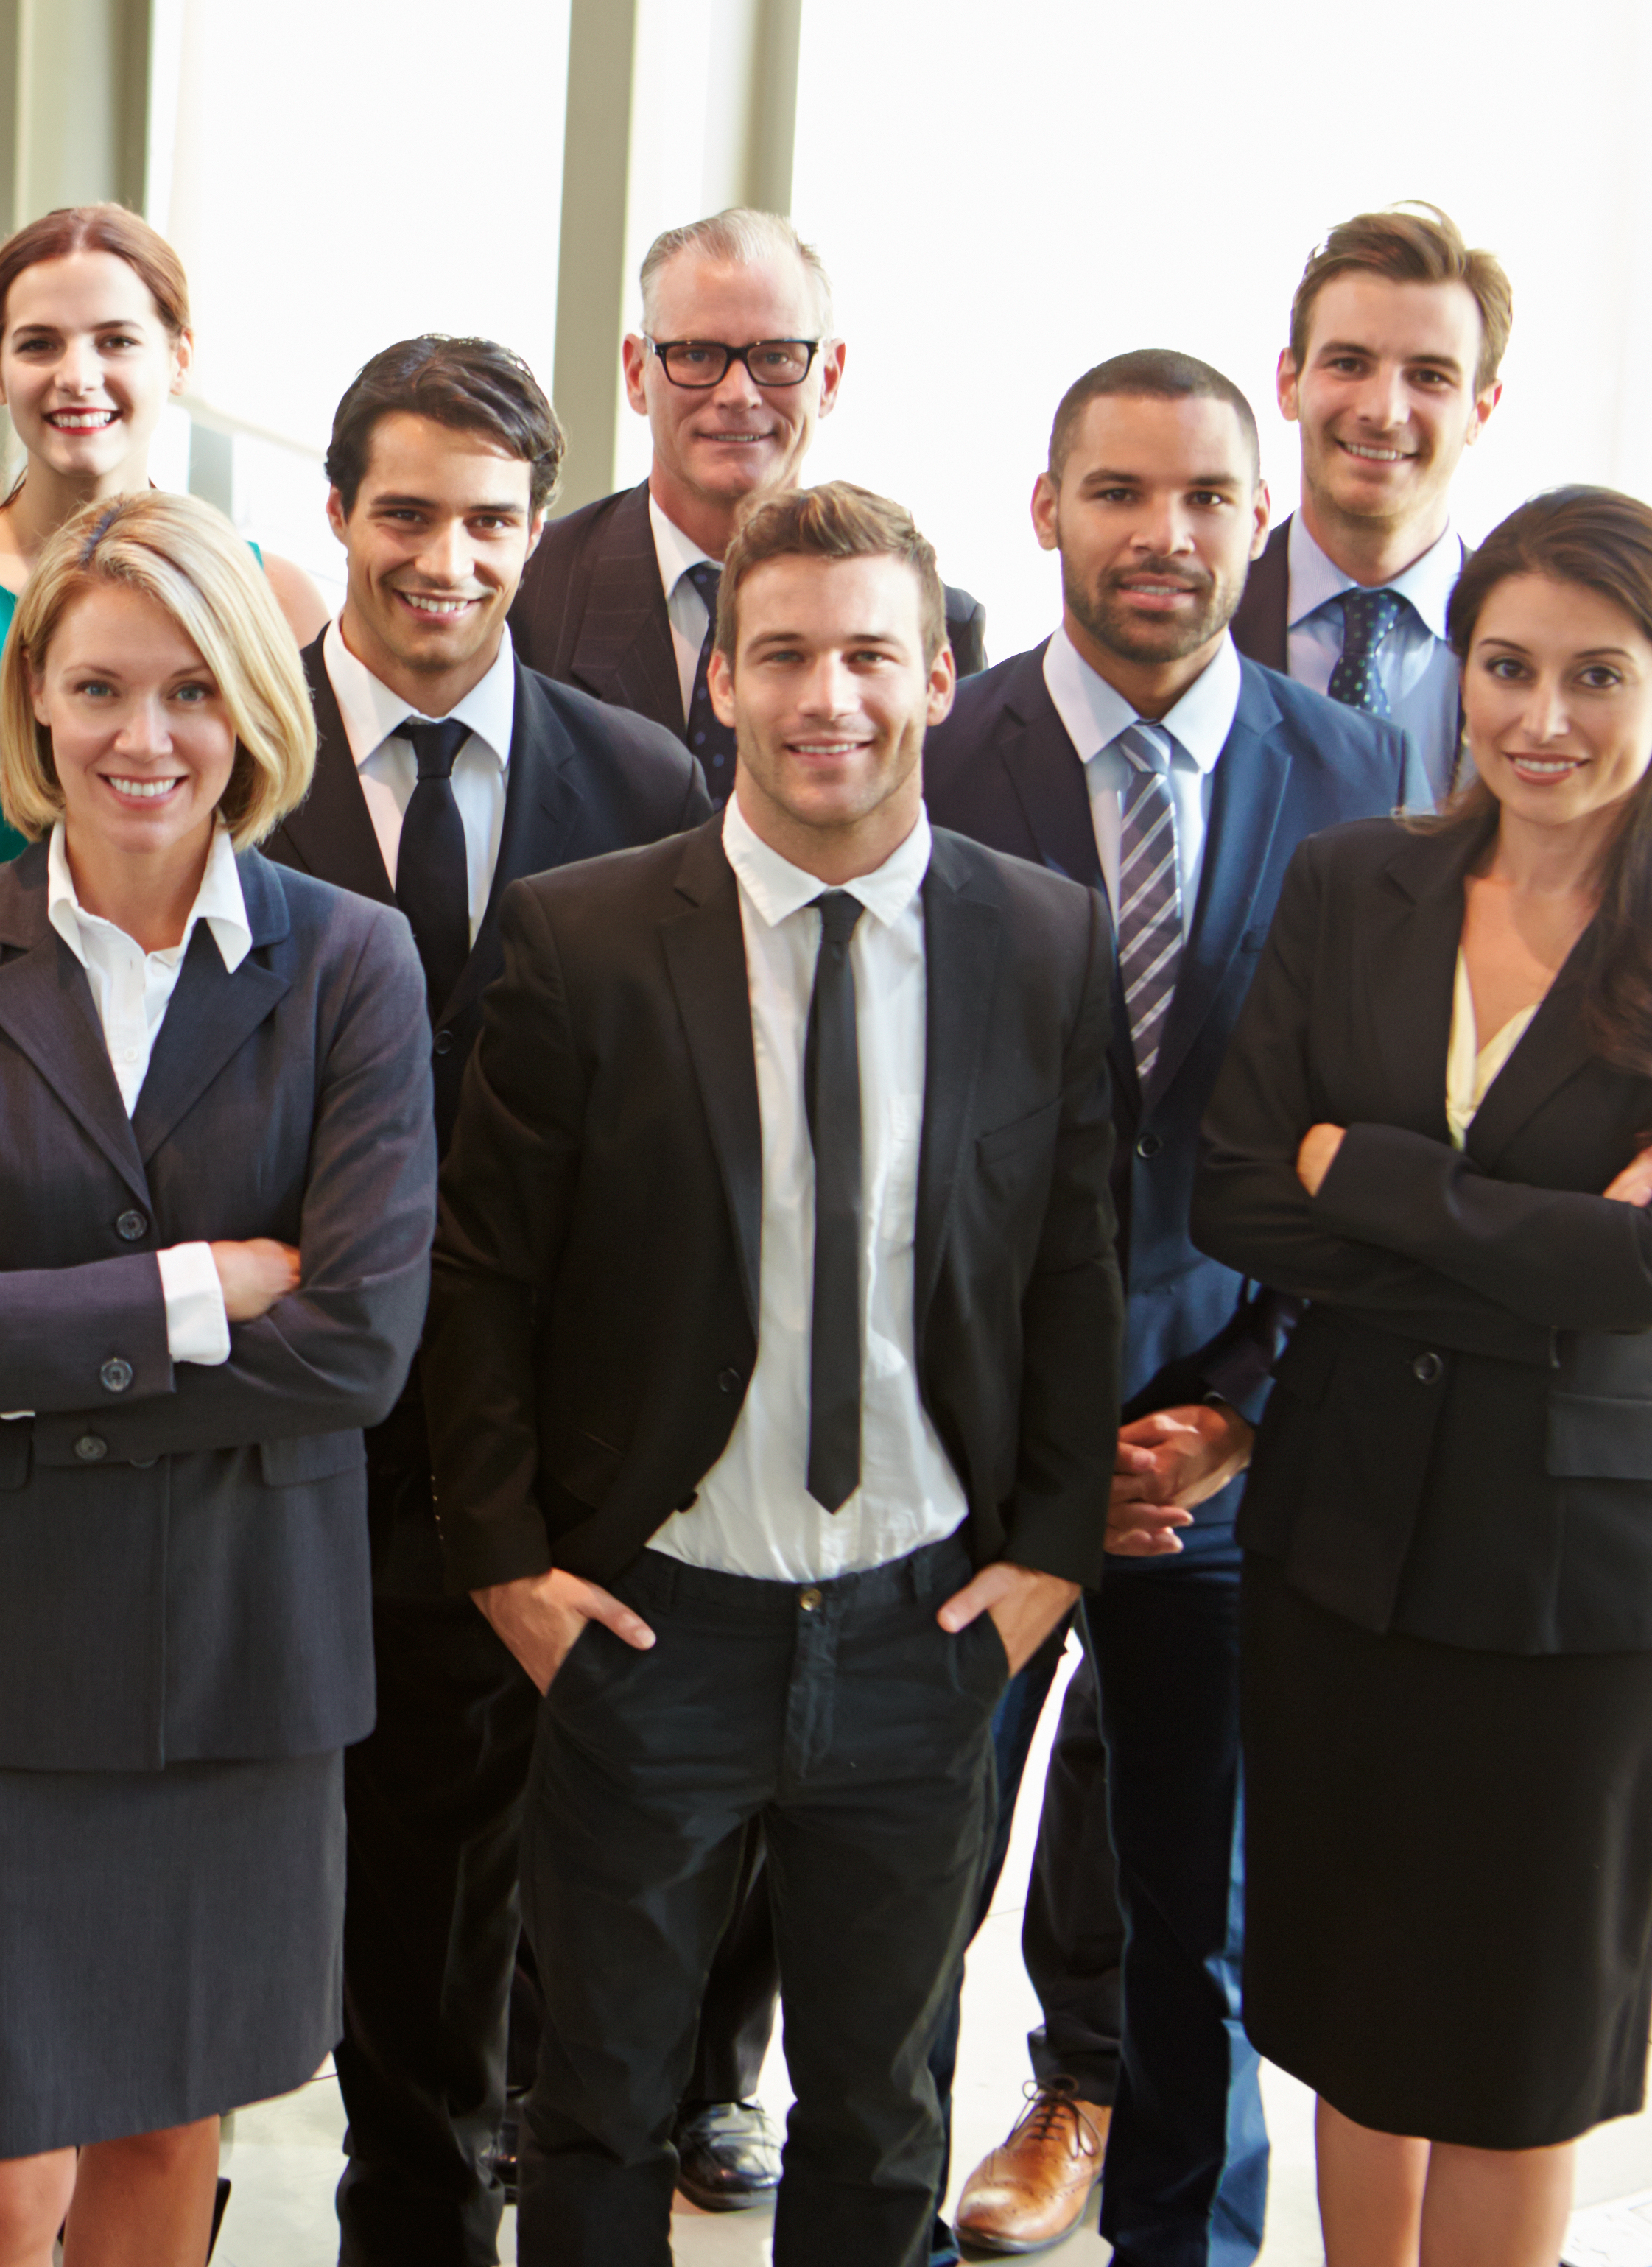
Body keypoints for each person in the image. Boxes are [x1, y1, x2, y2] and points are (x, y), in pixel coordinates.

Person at [428, 480, 1122, 2263]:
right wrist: (508, 1564)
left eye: (870, 653)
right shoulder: (582, 937)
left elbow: (1067, 1261)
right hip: (654, 1623)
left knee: (881, 2114)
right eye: (785, 654)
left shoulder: (1040, 939)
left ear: (941, 675)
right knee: (593, 2100)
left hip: (919, 1623)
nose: (829, 698)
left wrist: (1045, 1551)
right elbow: (486, 1274)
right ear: (718, 678)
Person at [1194, 488, 1652, 2267]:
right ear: (1455, 675)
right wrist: (1520, 1229)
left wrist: (1364, 1172)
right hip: (1344, 1539)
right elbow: (1242, 1186)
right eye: (1505, 667)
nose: (1542, 718)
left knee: (1509, 2043)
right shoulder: (1351, 883)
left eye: (1594, 676)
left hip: (1575, 1580)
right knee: (1346, 2005)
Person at [0, 491, 432, 2267]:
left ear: (249, 709)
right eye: (94, 689)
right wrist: (189, 1289)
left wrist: (3, 1320)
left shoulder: (348, 962)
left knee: (168, 2145)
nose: (139, 737)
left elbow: (357, 1343)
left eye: (184, 691)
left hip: (241, 1650)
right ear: (32, 711)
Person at [922, 352, 1411, 2263]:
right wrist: (1027, 1428)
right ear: (1043, 508)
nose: (1164, 532)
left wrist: (1230, 1410)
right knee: (905, 1891)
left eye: (1206, 494)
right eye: (1119, 490)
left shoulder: (1351, 771)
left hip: (1210, 1445)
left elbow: (1355, 1133)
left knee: (1191, 1927)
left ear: (1252, 514)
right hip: (965, 1449)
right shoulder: (930, 756)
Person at [252, 337, 706, 2266]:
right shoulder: (222, 754)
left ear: (537, 529)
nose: (444, 558)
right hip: (301, 1467)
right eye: (404, 512)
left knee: (553, 1953)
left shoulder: (644, 776)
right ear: (336, 512)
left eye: (488, 521)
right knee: (372, 1982)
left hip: (556, 1468)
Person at [0, 205, 330, 890]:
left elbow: (306, 880)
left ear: (179, 358)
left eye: (115, 341)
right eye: (39, 344)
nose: (78, 376)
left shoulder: (278, 596)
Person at [512, 208, 987, 812]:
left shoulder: (940, 623)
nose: (737, 394)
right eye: (695, 355)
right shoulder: (525, 593)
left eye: (777, 357)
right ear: (637, 372)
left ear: (830, 376)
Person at [1233, 204, 1511, 808]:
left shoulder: (1530, 641)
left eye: (1430, 376)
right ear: (1289, 383)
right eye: (1349, 364)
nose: (1384, 411)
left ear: (1480, 412)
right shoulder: (1204, 614)